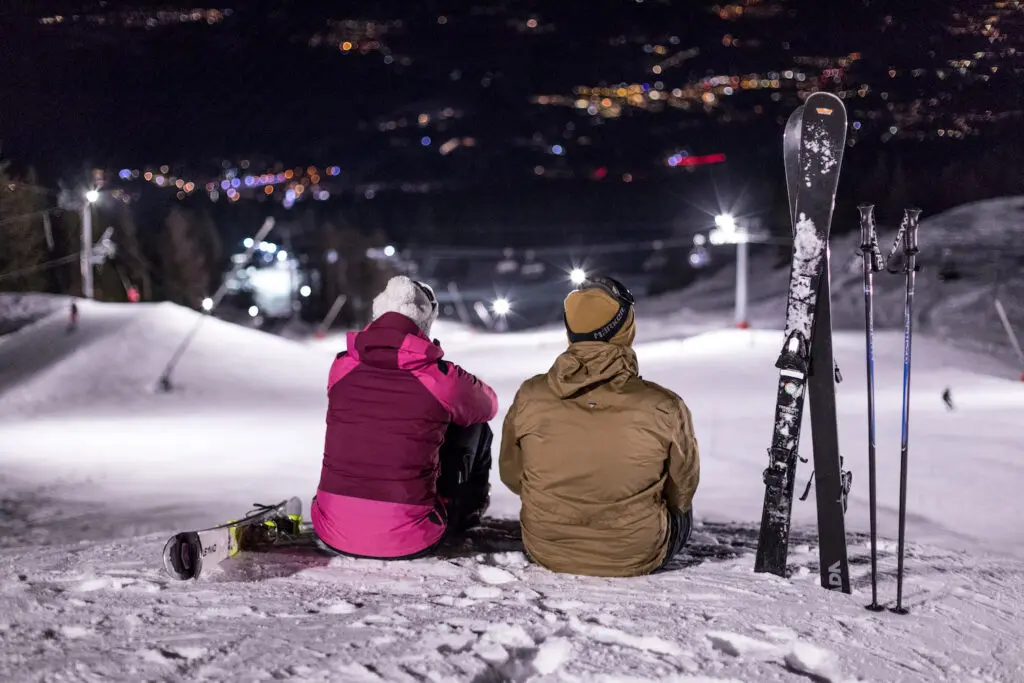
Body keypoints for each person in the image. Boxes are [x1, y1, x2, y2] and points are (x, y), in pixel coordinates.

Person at [499, 275, 700, 577]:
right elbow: (682, 492)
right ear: (625, 329)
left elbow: (512, 476)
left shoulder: (530, 395)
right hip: (637, 553)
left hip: (547, 547)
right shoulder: (665, 405)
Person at [312, 275, 498, 560]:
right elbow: (489, 405)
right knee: (475, 425)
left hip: (332, 529)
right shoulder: (439, 377)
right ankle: (466, 513)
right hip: (411, 538)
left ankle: (352, 516)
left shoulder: (341, 367)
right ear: (424, 323)